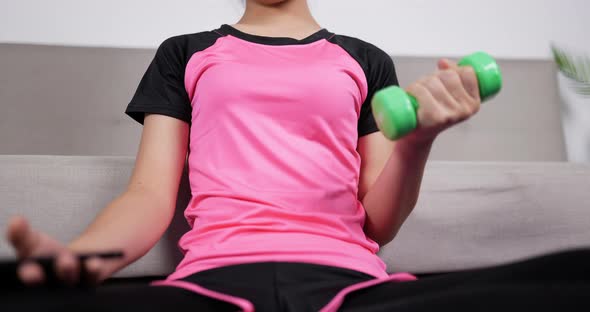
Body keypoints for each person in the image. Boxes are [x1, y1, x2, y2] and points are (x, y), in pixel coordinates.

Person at [3, 0, 590, 311]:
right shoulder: (186, 52)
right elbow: (149, 195)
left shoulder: (364, 59)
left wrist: (419, 139)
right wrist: (81, 260)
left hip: (351, 284)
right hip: (212, 283)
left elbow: (379, 220)